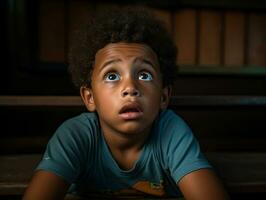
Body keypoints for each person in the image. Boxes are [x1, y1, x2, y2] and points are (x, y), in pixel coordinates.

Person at [23, 6, 229, 200]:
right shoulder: (75, 136)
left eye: (145, 75)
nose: (130, 88)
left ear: (163, 97)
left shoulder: (171, 132)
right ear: (90, 98)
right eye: (112, 76)